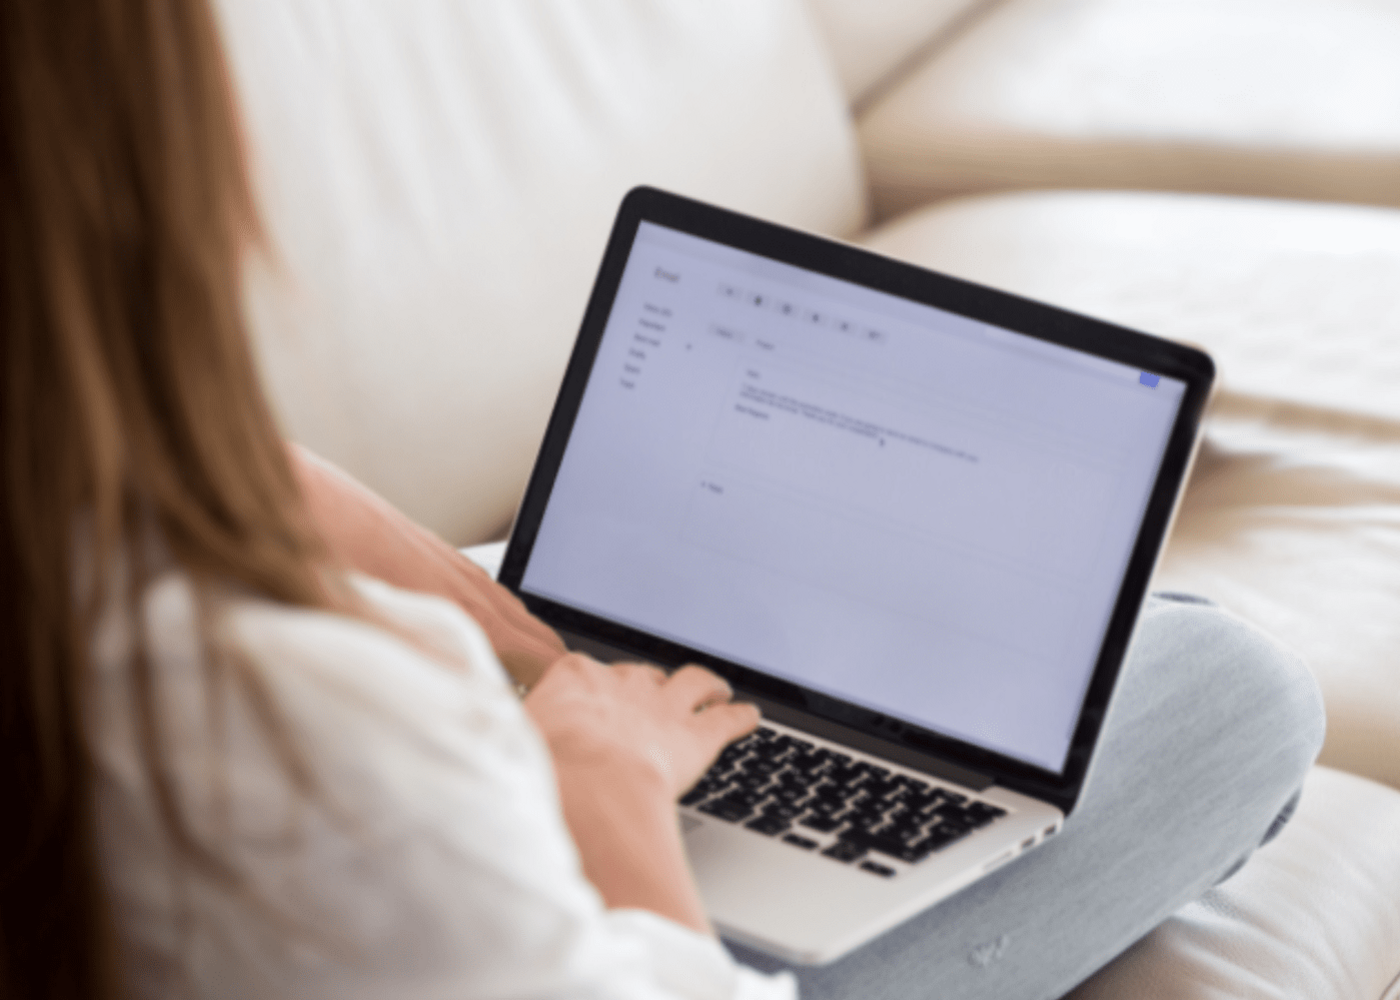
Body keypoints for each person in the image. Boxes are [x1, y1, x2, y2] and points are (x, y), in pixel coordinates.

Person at [0, 2, 1324, 999]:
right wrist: (609, 781)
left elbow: (145, 446)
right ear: (148, 162)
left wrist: (502, 631)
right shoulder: (298, 722)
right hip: (619, 917)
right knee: (1226, 681)